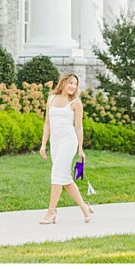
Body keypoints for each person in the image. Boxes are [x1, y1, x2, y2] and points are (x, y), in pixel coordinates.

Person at [38, 73, 94, 224]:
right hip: (55, 143)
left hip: (69, 142)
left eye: (75, 84)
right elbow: (47, 124)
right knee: (64, 178)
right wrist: (43, 144)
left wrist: (80, 149)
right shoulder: (51, 98)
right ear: (63, 83)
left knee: (56, 174)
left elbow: (79, 128)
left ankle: (51, 212)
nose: (73, 86)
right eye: (70, 83)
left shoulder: (76, 103)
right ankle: (84, 208)